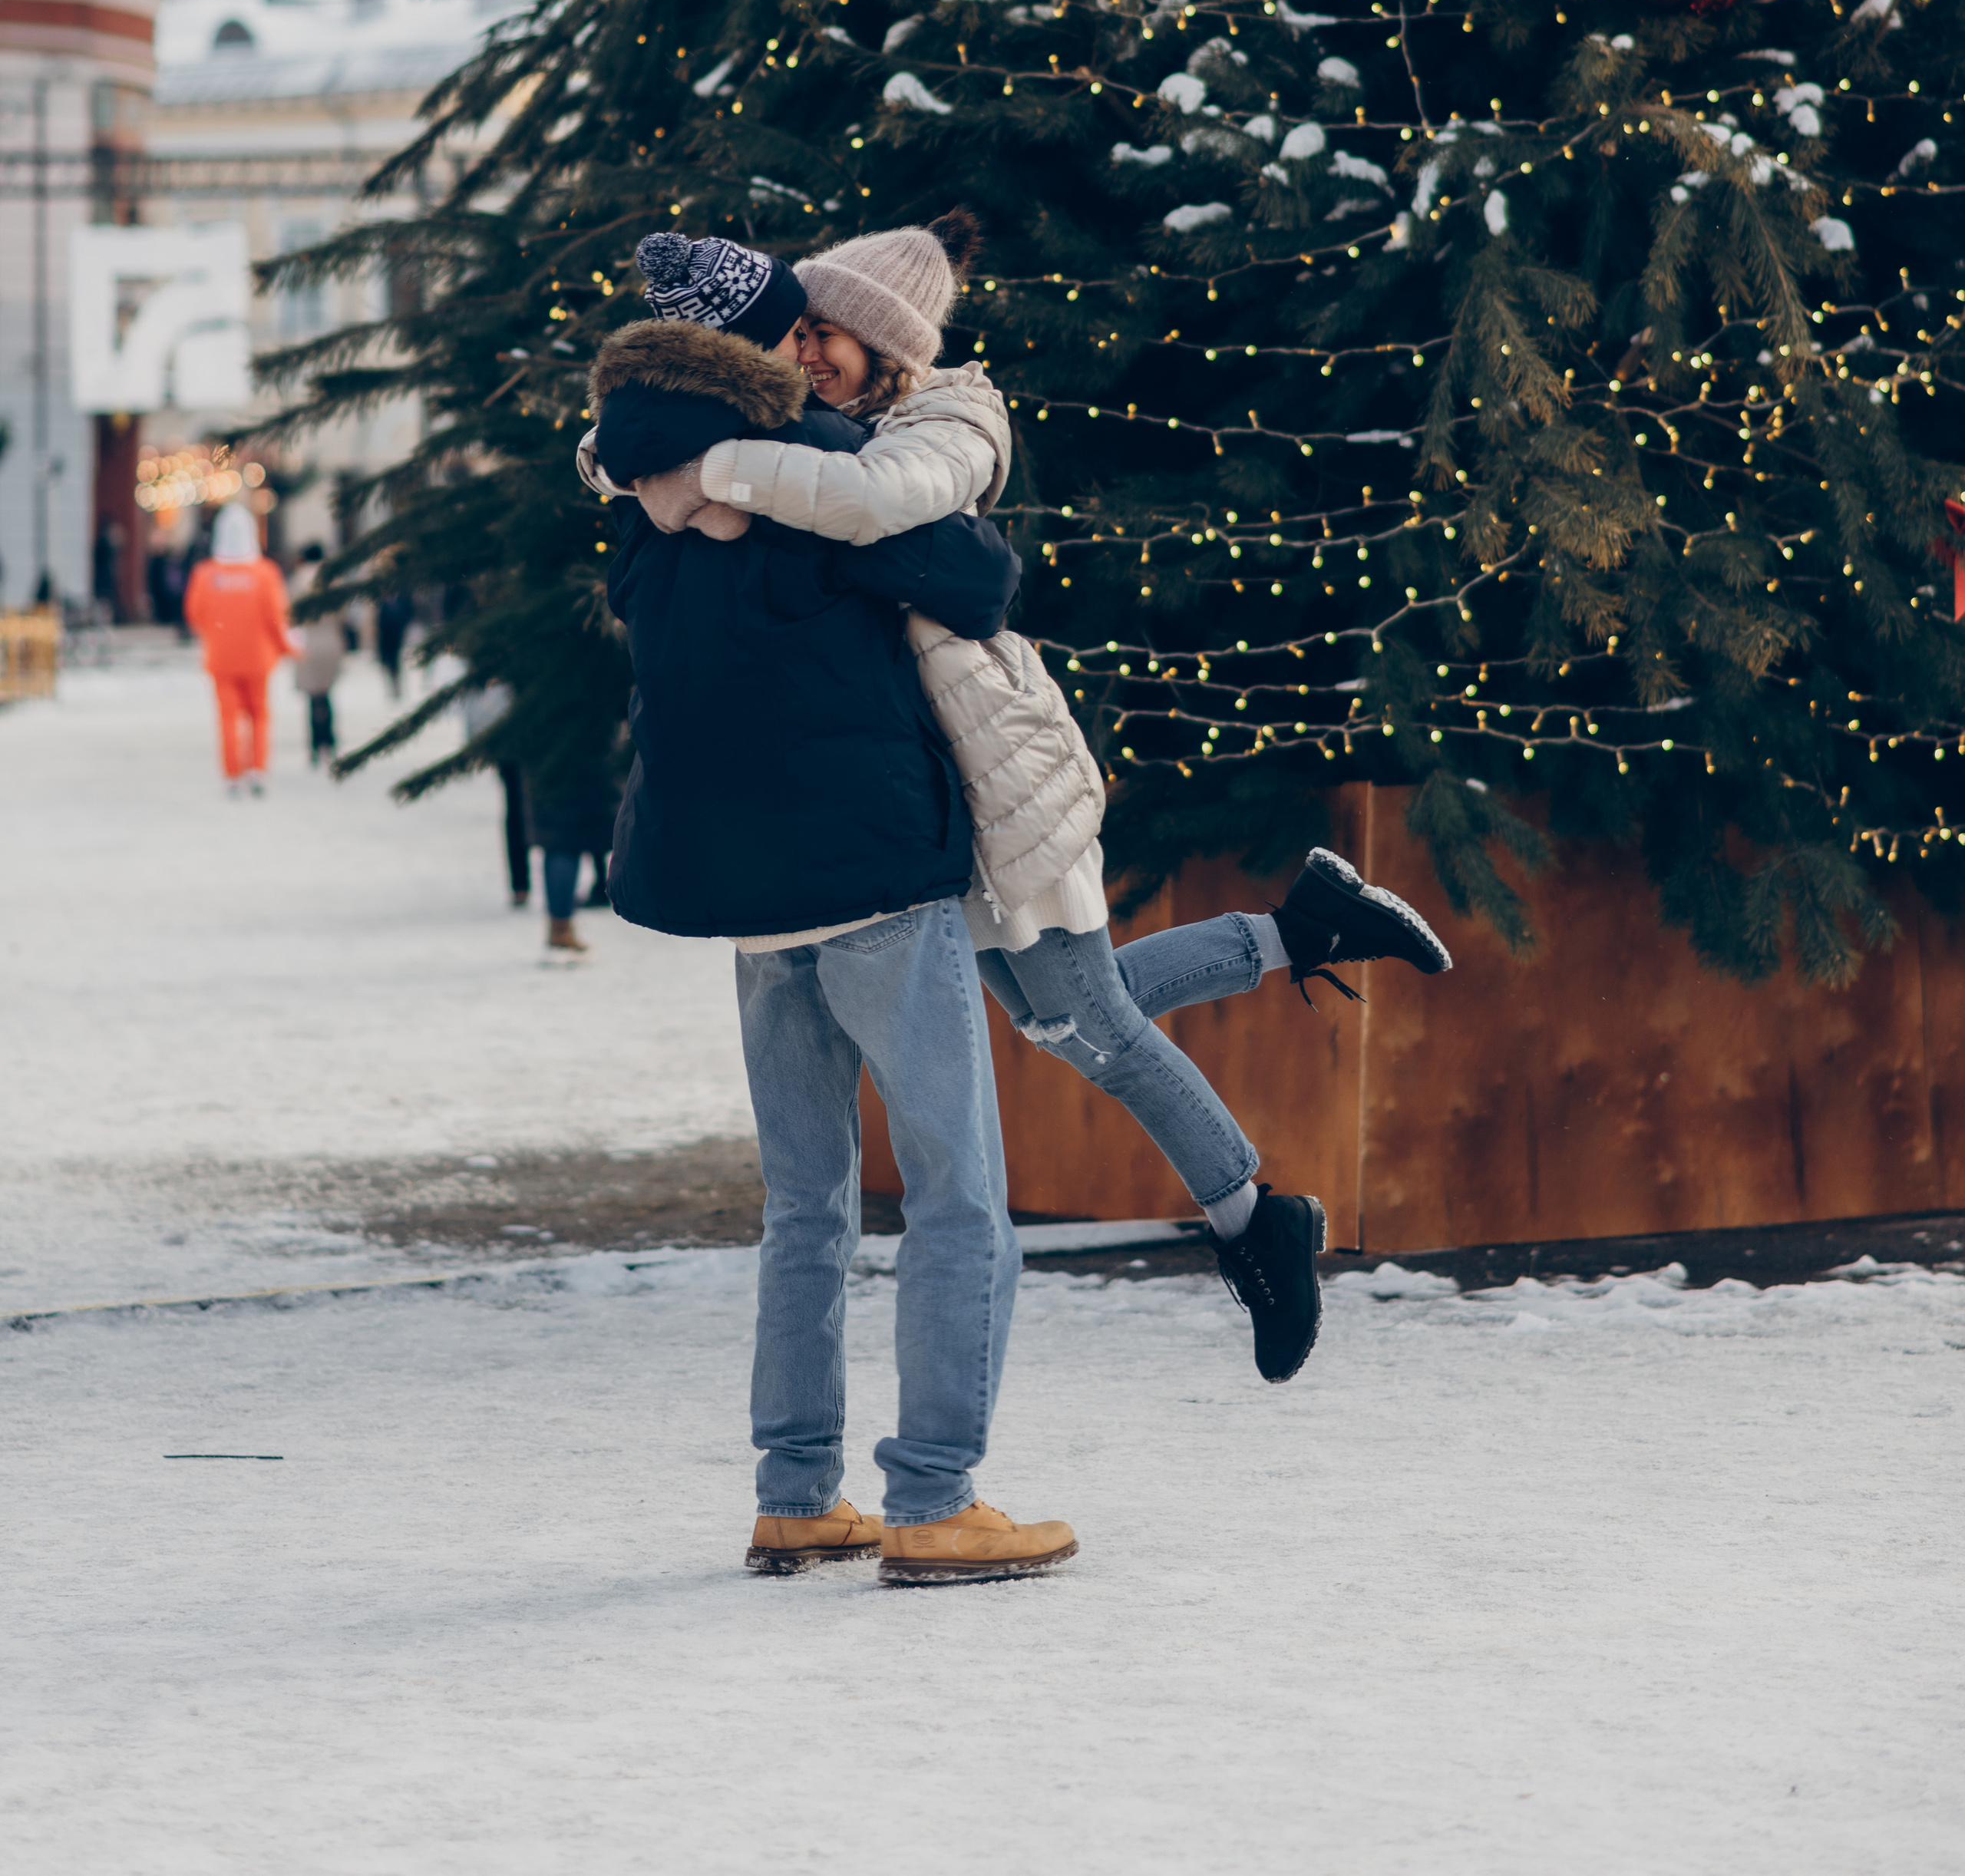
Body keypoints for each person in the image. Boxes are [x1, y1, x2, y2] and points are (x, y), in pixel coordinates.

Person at [662, 213, 1454, 1385]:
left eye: (832, 332)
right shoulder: (815, 423)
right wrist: (645, 452)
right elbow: (654, 436)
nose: (811, 351)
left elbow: (877, 502)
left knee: (1087, 1021)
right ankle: (1303, 928)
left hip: (999, 767)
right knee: (1068, 1011)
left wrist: (700, 470)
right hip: (921, 794)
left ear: (891, 346)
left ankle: (1253, 1218)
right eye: (806, 328)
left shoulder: (950, 419)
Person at [590, 228, 1076, 1588]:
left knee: (804, 1200)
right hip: (868, 874)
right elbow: (979, 581)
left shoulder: (643, 490)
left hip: (748, 900)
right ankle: (934, 1495)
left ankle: (797, 1489)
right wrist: (837, 457)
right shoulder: (828, 482)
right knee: (957, 1195)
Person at [183, 504, 297, 796]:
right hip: (258, 658)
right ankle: (257, 770)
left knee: (228, 717)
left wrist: (219, 631)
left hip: (221, 658)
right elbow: (276, 618)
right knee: (259, 714)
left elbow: (194, 613)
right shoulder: (265, 573)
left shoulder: (206, 574)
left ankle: (232, 774)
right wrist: (287, 648)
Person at [523, 763, 620, 956]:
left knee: (559, 844)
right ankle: (561, 930)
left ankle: (559, 927)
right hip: (584, 766)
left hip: (547, 768)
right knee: (565, 846)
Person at [461, 680, 531, 907]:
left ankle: (520, 885)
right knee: (518, 809)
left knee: (517, 809)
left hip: (511, 737)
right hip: (517, 739)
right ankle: (520, 884)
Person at [290, 543, 348, 765]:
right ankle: (330, 739)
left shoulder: (297, 580)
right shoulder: (333, 580)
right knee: (328, 693)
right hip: (331, 639)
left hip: (308, 642)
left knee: (312, 696)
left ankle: (315, 744)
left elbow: (291, 611)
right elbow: (343, 613)